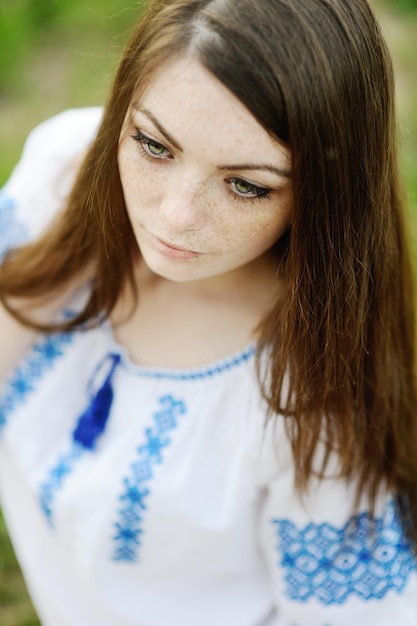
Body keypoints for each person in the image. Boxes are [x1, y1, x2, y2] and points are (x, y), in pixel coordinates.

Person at [0, 0, 416, 624]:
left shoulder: (316, 419)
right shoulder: (62, 175)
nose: (175, 215)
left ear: (326, 198)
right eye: (153, 145)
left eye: (245, 184)